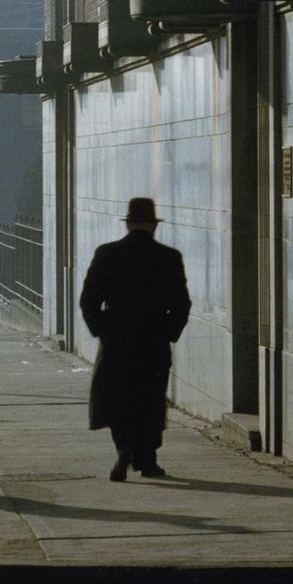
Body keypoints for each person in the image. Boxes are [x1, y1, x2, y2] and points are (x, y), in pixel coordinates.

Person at [79, 197, 191, 481]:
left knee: (117, 396)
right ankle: (147, 460)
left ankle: (123, 447)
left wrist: (102, 329)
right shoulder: (169, 257)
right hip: (153, 340)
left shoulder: (107, 253)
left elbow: (88, 300)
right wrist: (169, 332)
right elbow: (181, 303)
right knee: (150, 398)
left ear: (128, 225)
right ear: (153, 225)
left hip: (117, 340)